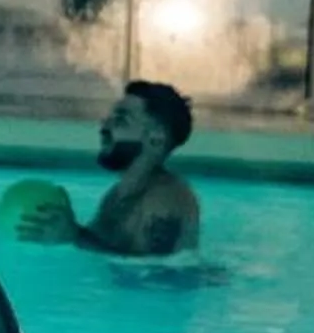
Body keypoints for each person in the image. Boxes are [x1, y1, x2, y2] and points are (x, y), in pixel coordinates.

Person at [17, 80, 202, 257]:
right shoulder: (117, 196)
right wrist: (61, 225)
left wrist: (75, 235)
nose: (104, 126)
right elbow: (96, 245)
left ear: (156, 139)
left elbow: (157, 269)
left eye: (121, 120)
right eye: (108, 119)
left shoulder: (167, 200)